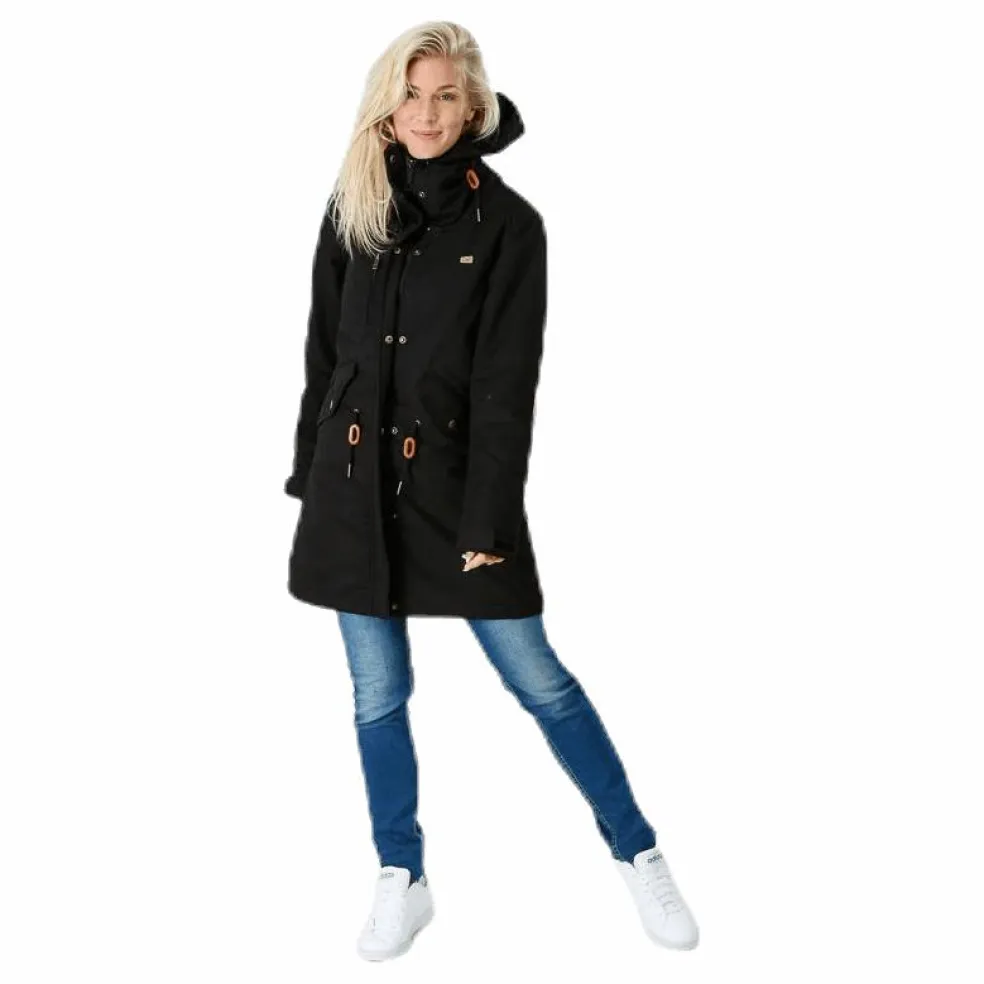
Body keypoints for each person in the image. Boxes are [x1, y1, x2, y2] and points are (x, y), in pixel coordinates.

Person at [284, 20, 699, 961]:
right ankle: (402, 875)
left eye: (445, 96)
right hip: (353, 491)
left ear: (472, 107)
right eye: (411, 93)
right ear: (388, 105)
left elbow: (506, 388)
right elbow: (323, 350)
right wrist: (311, 475)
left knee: (538, 678)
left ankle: (637, 850)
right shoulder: (354, 203)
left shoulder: (511, 226)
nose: (427, 113)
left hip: (456, 494)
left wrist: (489, 520)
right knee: (377, 691)